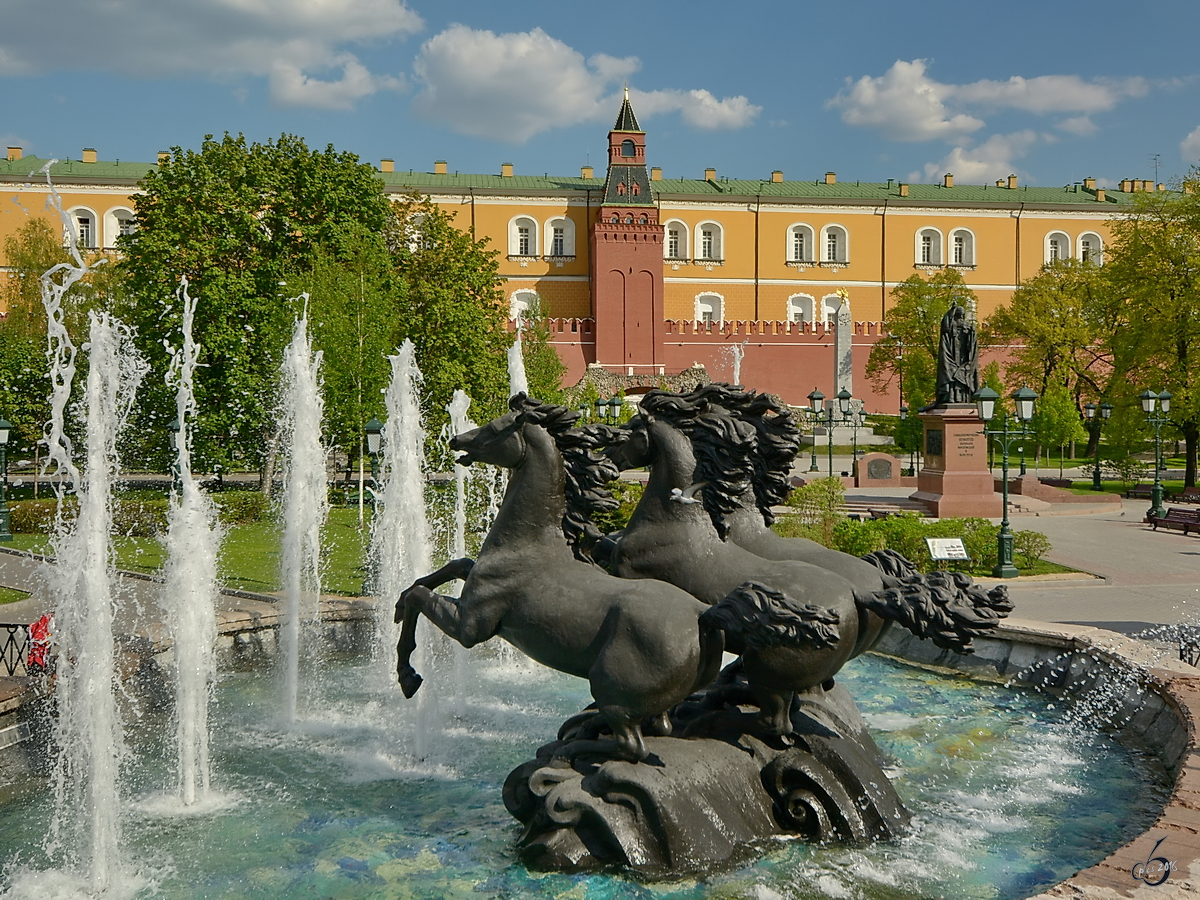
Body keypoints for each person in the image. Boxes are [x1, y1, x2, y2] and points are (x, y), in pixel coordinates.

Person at [936, 301, 978, 404]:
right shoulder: (952, 323)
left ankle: (963, 398)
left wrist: (972, 333)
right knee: (951, 373)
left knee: (963, 372)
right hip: (952, 352)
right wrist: (951, 310)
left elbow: (972, 341)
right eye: (958, 313)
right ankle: (952, 397)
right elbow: (945, 326)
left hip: (963, 353)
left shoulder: (967, 325)